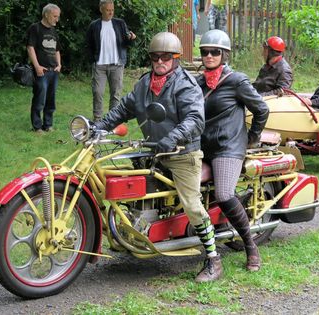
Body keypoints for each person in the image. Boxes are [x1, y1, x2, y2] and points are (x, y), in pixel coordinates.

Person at [94, 32, 222, 282]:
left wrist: (173, 137)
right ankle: (137, 232)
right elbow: (123, 109)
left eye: (166, 56)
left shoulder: (185, 84)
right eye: (155, 56)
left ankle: (213, 258)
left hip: (182, 153)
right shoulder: (144, 84)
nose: (160, 61)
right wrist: (98, 126)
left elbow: (195, 119)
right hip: (154, 150)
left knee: (192, 205)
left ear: (175, 58)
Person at [197, 30, 269, 273]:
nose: (209, 56)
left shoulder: (236, 81)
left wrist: (251, 138)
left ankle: (250, 245)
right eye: (205, 51)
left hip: (228, 147)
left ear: (224, 54)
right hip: (203, 146)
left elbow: (261, 109)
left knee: (225, 193)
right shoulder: (198, 83)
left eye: (214, 52)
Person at [86, 0, 136, 121]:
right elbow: (88, 44)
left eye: (112, 10)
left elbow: (126, 41)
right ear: (101, 9)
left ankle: (112, 120)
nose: (110, 13)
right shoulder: (94, 25)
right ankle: (97, 120)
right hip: (99, 65)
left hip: (117, 65)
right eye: (108, 10)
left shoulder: (120, 23)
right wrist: (92, 59)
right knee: (97, 93)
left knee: (115, 94)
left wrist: (131, 38)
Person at [27, 3, 62, 133]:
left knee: (50, 100)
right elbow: (30, 48)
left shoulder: (54, 31)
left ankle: (48, 125)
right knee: (39, 99)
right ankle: (37, 126)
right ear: (46, 14)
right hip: (42, 71)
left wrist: (59, 65)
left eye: (58, 17)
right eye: (55, 16)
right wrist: (37, 67)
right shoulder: (35, 28)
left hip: (54, 71)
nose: (57, 19)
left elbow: (57, 50)